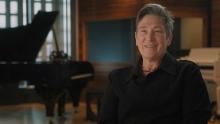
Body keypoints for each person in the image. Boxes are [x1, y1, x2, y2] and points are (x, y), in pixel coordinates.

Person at [98, 3, 211, 124]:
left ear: (169, 38)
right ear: (136, 38)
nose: (149, 38)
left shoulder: (187, 73)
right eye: (143, 31)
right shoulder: (116, 79)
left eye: (157, 31)